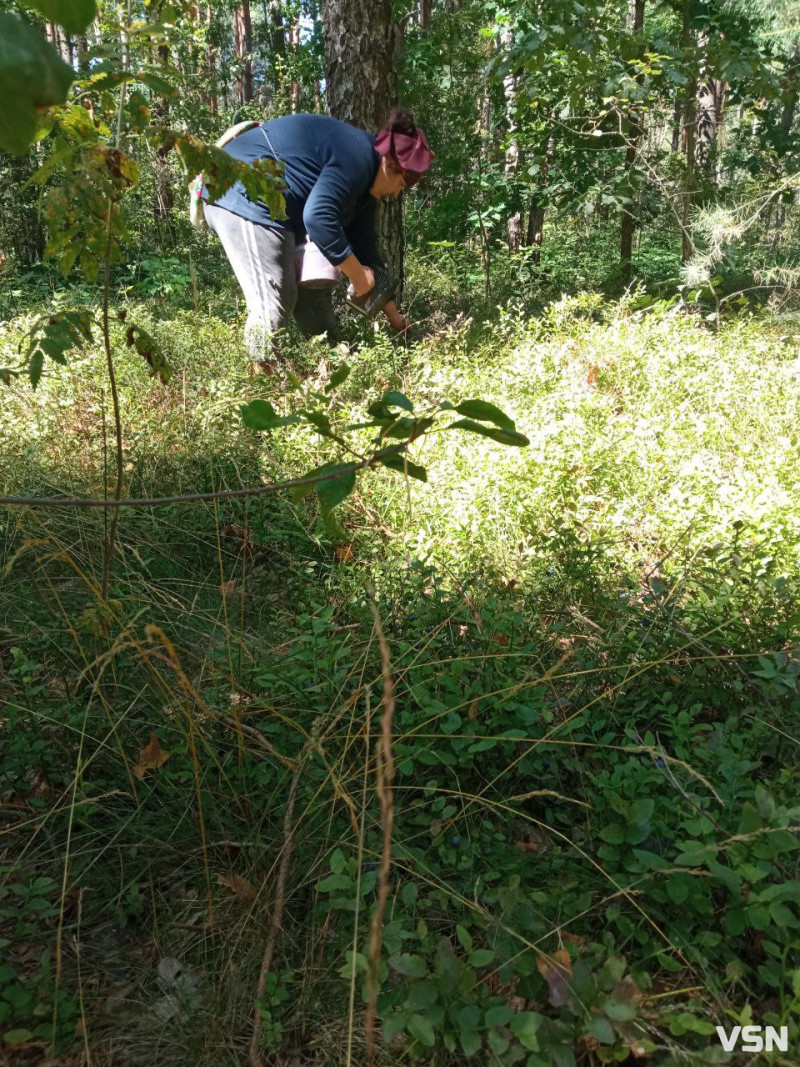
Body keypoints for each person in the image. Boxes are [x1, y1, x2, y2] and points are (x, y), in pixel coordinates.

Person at [202, 108, 434, 372]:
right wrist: (358, 276)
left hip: (276, 207)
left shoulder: (365, 185)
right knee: (274, 297)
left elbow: (366, 249)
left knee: (313, 293)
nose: (395, 194)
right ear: (390, 165)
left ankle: (328, 373)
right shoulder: (356, 158)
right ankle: (262, 391)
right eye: (401, 186)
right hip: (240, 189)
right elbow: (318, 218)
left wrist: (394, 315)